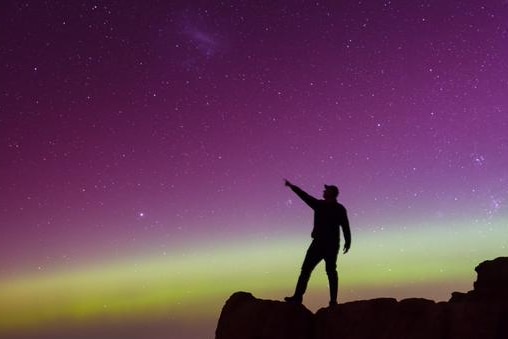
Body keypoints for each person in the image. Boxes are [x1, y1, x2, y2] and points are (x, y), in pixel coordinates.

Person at [284, 179, 351, 307]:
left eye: (326, 190)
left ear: (331, 193)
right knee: (310, 270)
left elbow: (345, 226)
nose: (323, 191)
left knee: (324, 271)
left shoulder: (325, 206)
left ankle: (331, 301)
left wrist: (348, 241)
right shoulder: (331, 207)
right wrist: (348, 241)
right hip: (324, 244)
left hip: (324, 245)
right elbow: (304, 196)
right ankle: (299, 297)